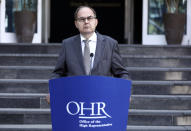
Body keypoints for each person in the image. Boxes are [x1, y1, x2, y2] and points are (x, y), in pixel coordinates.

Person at [46, 5, 130, 103]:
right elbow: (57, 73)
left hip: (102, 100)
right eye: (82, 19)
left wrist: (125, 91)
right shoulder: (67, 44)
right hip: (75, 100)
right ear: (76, 24)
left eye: (89, 18)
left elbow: (122, 73)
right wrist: (53, 91)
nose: (86, 21)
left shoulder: (110, 44)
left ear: (96, 22)